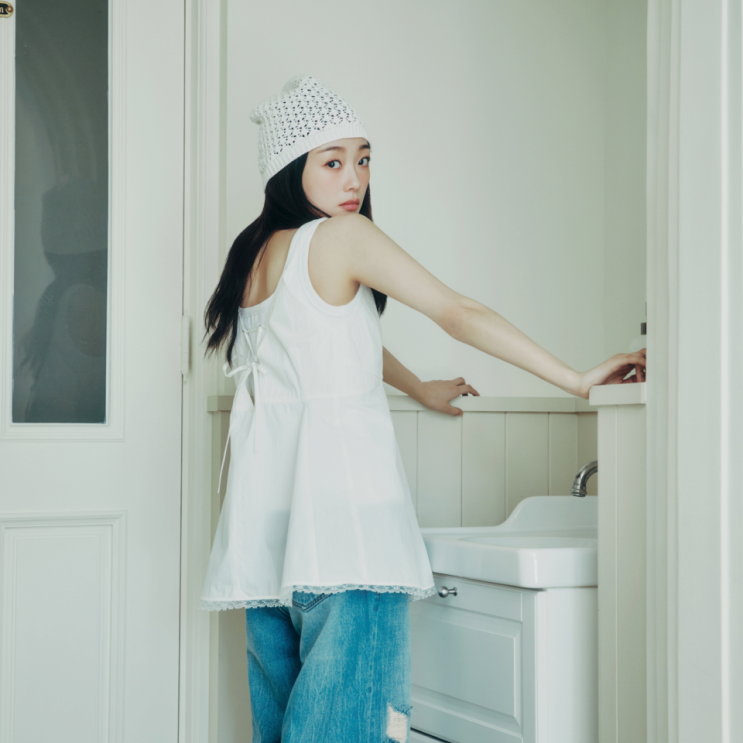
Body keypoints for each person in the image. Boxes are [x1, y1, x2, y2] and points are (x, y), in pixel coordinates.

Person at [199, 75, 647, 743]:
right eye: (332, 161)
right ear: (290, 170)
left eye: (363, 158)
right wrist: (576, 381)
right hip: (347, 534)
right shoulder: (342, 236)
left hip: (267, 542)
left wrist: (418, 388)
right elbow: (456, 311)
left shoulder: (255, 255)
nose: (355, 178)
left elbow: (325, 341)